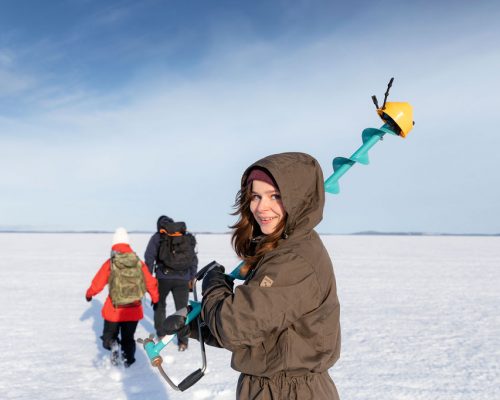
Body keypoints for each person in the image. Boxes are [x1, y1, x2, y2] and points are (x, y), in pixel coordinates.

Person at [161, 152, 341, 399]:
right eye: (255, 196)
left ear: (298, 200)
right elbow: (260, 331)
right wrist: (197, 324)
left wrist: (214, 286)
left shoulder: (293, 261)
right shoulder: (281, 249)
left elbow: (234, 328)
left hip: (289, 392)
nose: (261, 207)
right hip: (268, 388)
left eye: (275, 196)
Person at [86, 227, 159, 367]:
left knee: (109, 337)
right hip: (133, 309)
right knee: (128, 339)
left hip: (114, 310)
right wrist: (155, 299)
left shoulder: (111, 263)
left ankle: (113, 345)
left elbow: (98, 282)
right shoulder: (138, 263)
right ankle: (129, 362)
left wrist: (89, 294)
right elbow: (151, 283)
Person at [144, 215, 198, 351]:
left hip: (163, 277)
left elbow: (149, 257)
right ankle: (183, 341)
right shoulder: (183, 236)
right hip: (183, 278)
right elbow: (193, 259)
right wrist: (191, 277)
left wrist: (148, 277)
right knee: (182, 309)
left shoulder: (159, 236)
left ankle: (162, 334)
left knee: (159, 305)